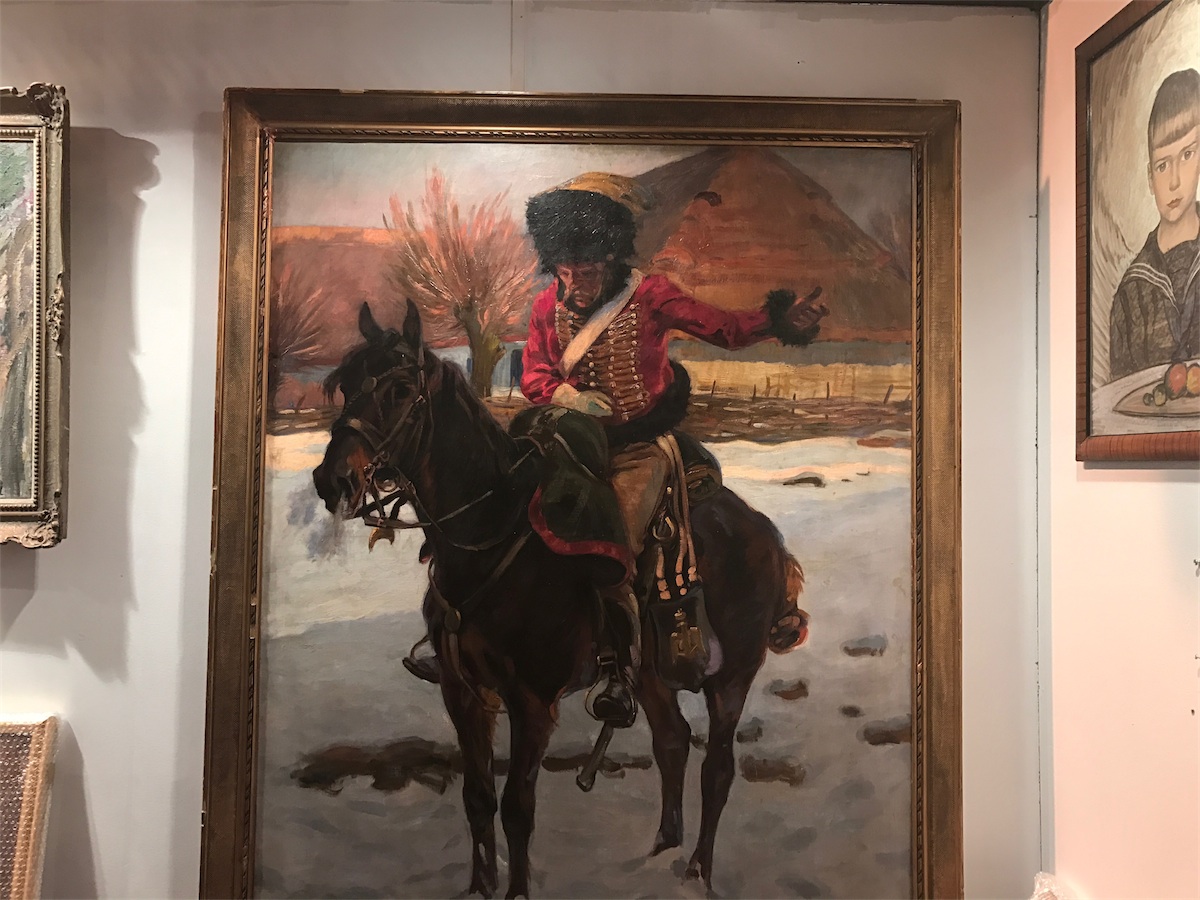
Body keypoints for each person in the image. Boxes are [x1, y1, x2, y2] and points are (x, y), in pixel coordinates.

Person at [520, 172, 827, 724]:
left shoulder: (651, 296)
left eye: (585, 270)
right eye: (565, 270)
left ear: (609, 257)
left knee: (616, 537)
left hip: (638, 448)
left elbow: (724, 328)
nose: (574, 282)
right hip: (567, 442)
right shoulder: (546, 306)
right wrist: (566, 395)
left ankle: (618, 664)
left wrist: (778, 319)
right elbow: (535, 374)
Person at [1109, 68, 1200, 383]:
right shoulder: (1131, 294)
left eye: (1187, 155)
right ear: (1150, 178)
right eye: (1162, 165)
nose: (1174, 181)